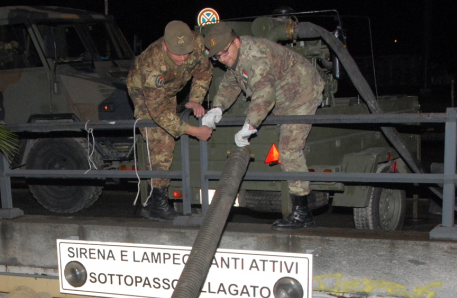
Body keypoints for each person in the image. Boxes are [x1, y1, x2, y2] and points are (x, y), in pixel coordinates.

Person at [201, 22, 326, 230]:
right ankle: (302, 212)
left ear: (237, 42)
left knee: (289, 149)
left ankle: (302, 212)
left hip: (301, 91)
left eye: (224, 52)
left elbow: (264, 93)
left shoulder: (254, 56)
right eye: (217, 57)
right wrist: (217, 108)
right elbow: (231, 82)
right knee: (286, 146)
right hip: (284, 94)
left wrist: (250, 125)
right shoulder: (237, 57)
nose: (222, 59)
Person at [127, 20, 214, 221]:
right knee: (161, 139)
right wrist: (194, 131)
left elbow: (203, 71)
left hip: (172, 87)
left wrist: (194, 99)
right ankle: (157, 202)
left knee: (169, 130)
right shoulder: (152, 64)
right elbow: (157, 112)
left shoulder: (198, 44)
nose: (184, 58)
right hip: (144, 92)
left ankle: (152, 199)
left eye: (186, 53)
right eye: (178, 54)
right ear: (165, 46)